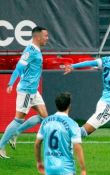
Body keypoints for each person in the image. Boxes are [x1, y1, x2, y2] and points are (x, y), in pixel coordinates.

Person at [0, 26, 49, 158]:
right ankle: (0, 146)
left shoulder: (37, 50)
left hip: (34, 90)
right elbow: (19, 67)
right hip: (26, 90)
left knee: (44, 117)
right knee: (18, 120)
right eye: (45, 36)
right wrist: (11, 82)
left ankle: (16, 133)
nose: (47, 38)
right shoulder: (30, 50)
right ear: (37, 37)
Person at [34, 92, 86, 175]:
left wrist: (39, 161)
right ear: (69, 106)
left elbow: (37, 144)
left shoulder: (46, 121)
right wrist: (83, 169)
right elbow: (77, 147)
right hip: (66, 169)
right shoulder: (72, 124)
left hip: (49, 169)